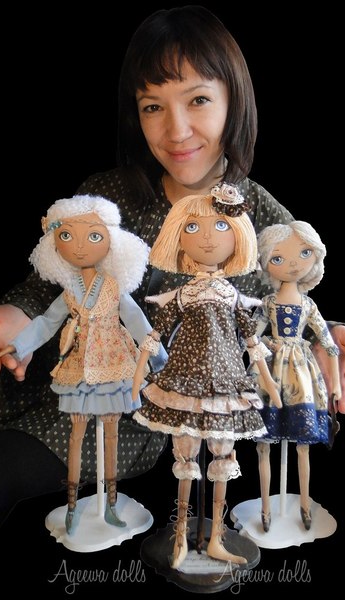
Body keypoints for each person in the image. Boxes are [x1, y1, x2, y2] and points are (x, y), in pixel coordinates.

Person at [0, 5, 345, 555]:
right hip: (54, 367)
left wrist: (324, 336)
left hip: (138, 408)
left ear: (233, 101)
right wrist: (21, 312)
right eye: (153, 106)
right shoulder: (109, 194)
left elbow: (282, 296)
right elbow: (47, 281)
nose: (176, 131)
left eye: (198, 100)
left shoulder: (261, 216)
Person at [0, 196, 166, 535]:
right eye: (66, 236)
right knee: (76, 433)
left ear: (112, 242)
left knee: (111, 432)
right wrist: (20, 344)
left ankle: (112, 503)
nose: (79, 246)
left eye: (93, 236)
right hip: (78, 365)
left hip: (113, 362)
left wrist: (159, 356)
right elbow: (47, 322)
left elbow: (137, 321)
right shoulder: (69, 290)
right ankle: (73, 504)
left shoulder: (114, 287)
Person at [132, 186, 282, 568]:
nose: (208, 237)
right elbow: (155, 334)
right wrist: (137, 376)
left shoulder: (232, 296)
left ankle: (216, 536)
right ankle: (181, 533)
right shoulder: (183, 294)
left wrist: (267, 381)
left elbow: (251, 340)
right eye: (193, 227)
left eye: (220, 225)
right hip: (185, 379)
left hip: (226, 381)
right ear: (178, 238)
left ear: (238, 236)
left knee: (223, 454)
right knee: (185, 454)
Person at [252, 221, 340, 533]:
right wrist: (267, 343)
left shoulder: (308, 305)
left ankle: (303, 503)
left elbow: (328, 343)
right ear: (266, 261)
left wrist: (335, 386)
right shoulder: (268, 303)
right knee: (264, 444)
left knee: (303, 445)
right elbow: (251, 337)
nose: (292, 264)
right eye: (278, 258)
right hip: (271, 371)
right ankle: (265, 507)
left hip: (301, 371)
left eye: (303, 254)